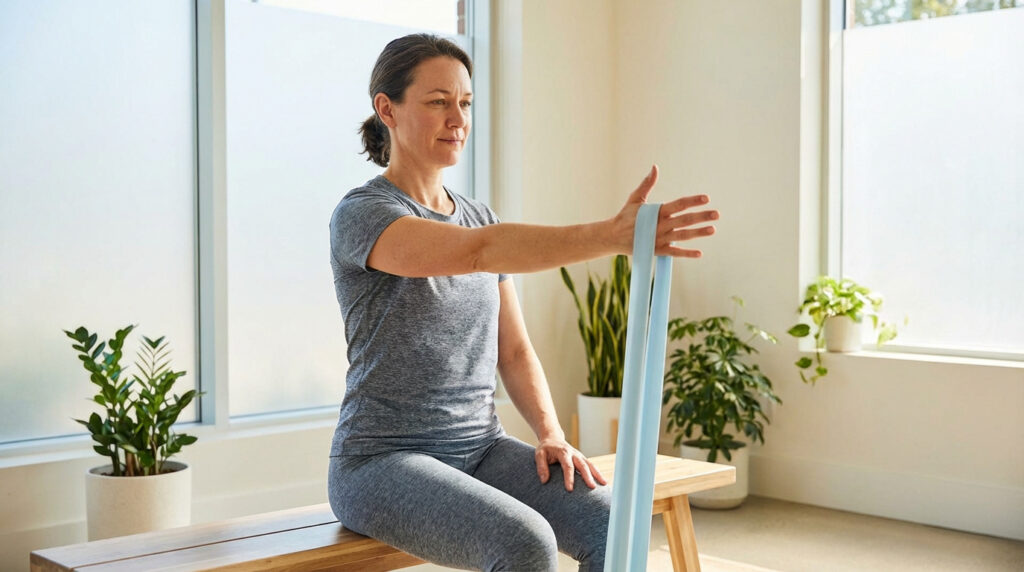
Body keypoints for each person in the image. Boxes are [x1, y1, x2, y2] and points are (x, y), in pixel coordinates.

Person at [327, 33, 719, 572]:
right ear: (386, 110)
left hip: (480, 448)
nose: (457, 119)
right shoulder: (364, 214)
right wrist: (611, 235)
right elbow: (473, 253)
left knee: (612, 522)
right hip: (382, 462)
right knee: (523, 543)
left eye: (464, 104)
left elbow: (512, 350)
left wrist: (551, 434)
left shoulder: (478, 215)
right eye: (438, 102)